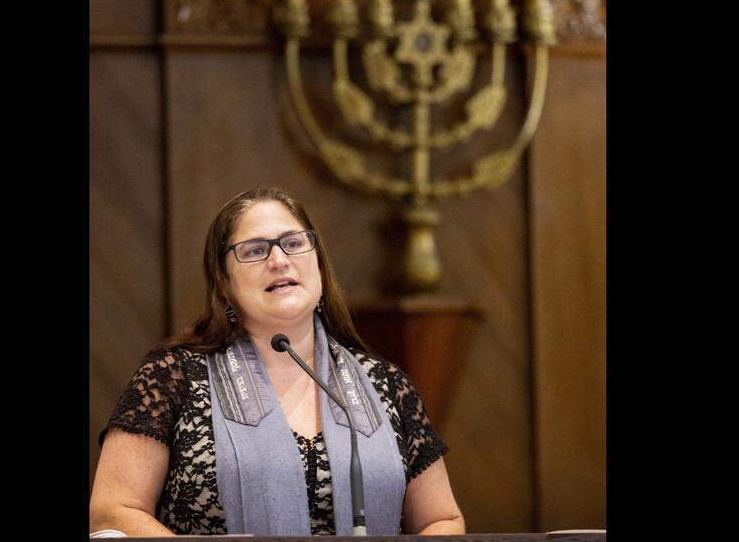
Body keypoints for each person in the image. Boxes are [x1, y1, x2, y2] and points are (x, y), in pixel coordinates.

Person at [89, 186, 464, 536]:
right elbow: (114, 509)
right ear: (223, 281)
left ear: (317, 262)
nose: (279, 260)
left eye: (293, 243)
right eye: (254, 250)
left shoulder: (386, 385)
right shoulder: (173, 377)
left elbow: (442, 519)